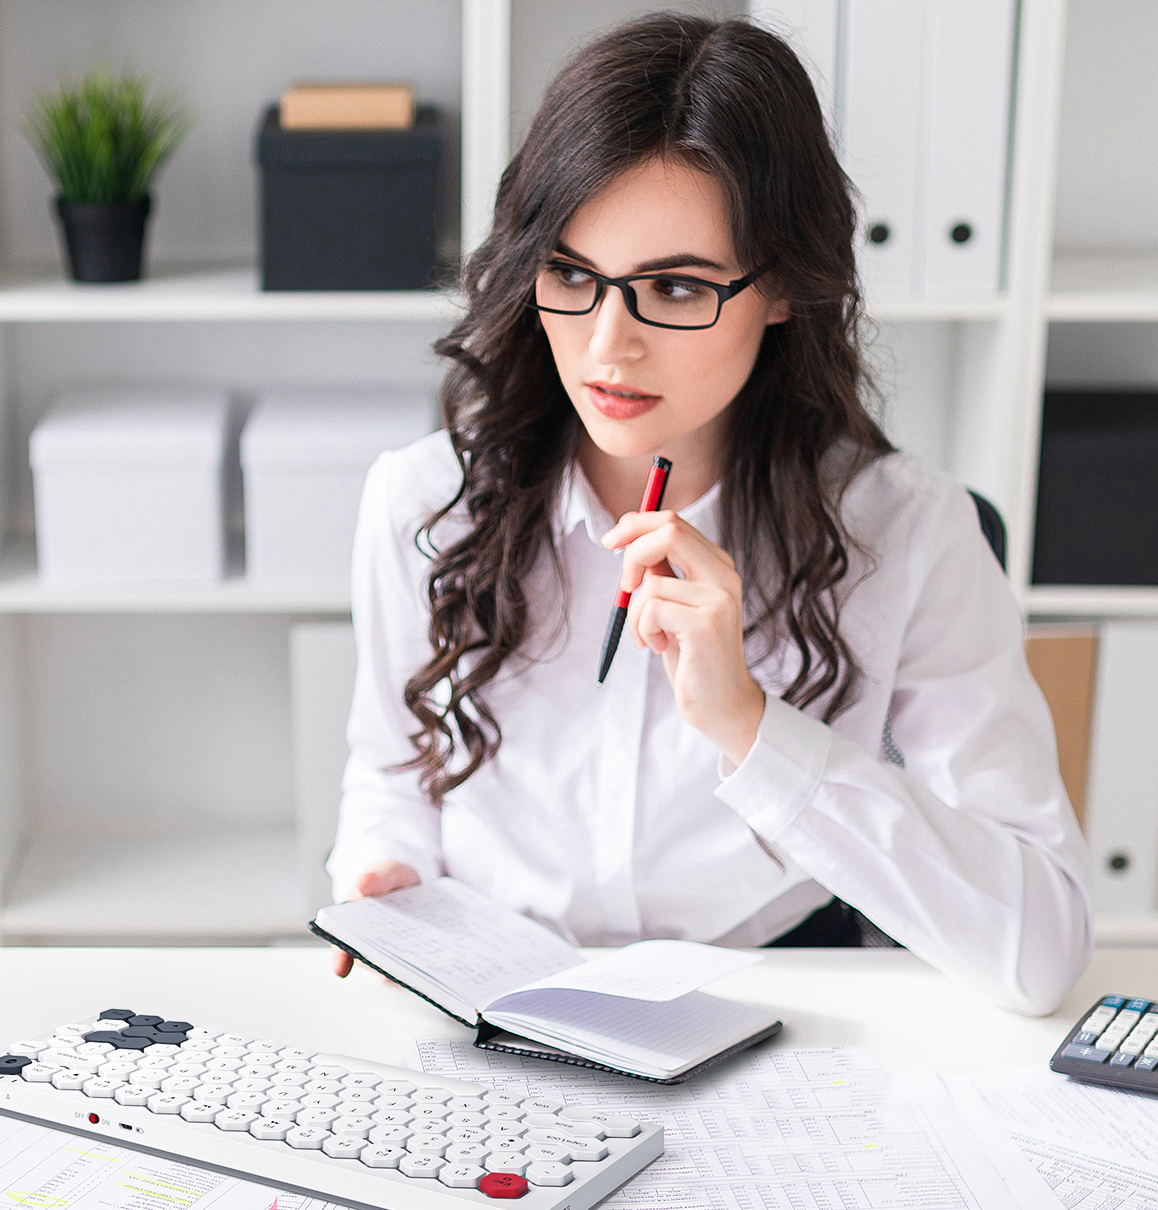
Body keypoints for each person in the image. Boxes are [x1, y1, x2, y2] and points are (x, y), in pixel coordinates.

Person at [327, 13, 1090, 1015]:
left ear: (780, 288)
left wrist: (748, 725)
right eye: (570, 273)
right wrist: (380, 869)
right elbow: (390, 768)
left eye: (674, 286)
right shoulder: (424, 504)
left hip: (773, 1012)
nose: (608, 346)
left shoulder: (907, 535)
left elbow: (1041, 951)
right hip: (490, 1012)